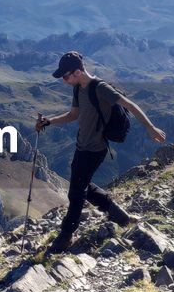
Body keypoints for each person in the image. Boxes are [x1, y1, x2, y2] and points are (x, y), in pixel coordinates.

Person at [34, 51, 166, 253]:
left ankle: (65, 236)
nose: (64, 80)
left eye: (66, 76)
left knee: (76, 193)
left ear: (77, 72)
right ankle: (119, 215)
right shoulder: (79, 89)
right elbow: (73, 115)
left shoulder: (101, 88)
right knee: (81, 185)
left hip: (96, 149)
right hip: (81, 145)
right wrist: (49, 121)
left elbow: (129, 104)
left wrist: (150, 128)